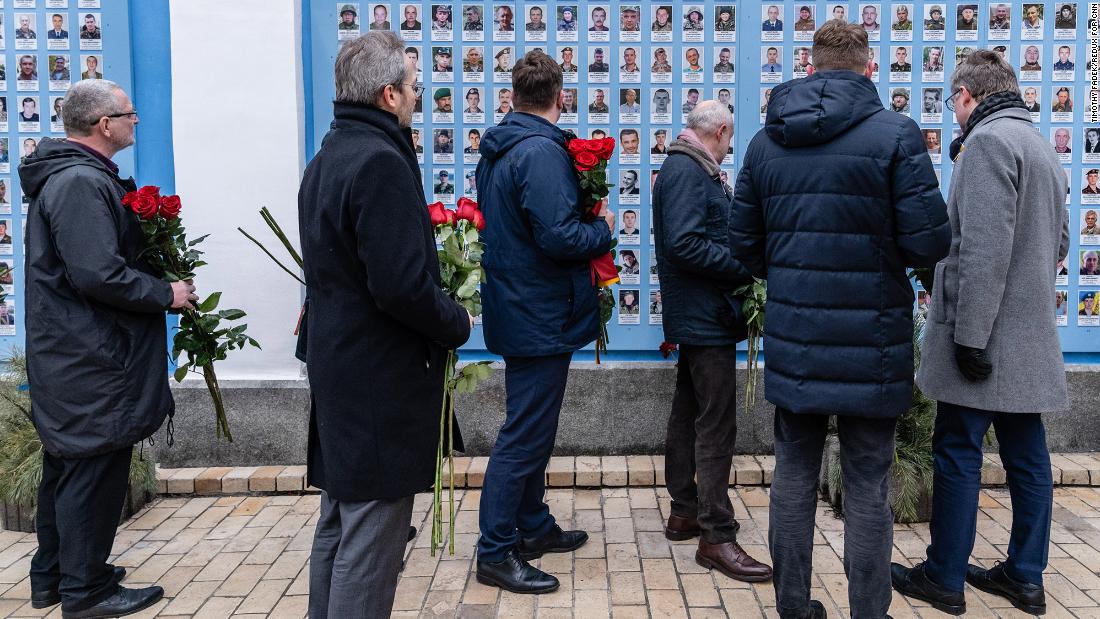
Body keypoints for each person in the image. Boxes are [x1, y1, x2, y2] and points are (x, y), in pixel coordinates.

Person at [729, 20, 950, 619]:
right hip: (871, 343)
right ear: (868, 67)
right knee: (869, 486)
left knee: (793, 476)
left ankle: (794, 608)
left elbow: (742, 242)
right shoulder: (896, 135)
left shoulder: (766, 140)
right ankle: (868, 612)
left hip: (797, 338)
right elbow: (930, 242)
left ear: (811, 65)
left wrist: (790, 275)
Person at [297, 32, 472, 618]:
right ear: (389, 95)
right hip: (378, 376)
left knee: (342, 522)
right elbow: (398, 285)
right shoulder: (378, 161)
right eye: (414, 87)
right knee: (371, 536)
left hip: (342, 364)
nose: (418, 97)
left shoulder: (329, 155)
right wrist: (455, 321)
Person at [891, 50, 1069, 617]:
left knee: (958, 451)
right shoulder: (1040, 144)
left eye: (953, 102)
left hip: (984, 340)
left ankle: (943, 578)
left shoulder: (988, 143)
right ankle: (1025, 576)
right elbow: (1059, 246)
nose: (954, 114)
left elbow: (983, 252)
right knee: (1028, 459)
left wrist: (969, 336)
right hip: (1028, 338)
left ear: (967, 95)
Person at [21, 79, 193, 618]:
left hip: (79, 351)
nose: (135, 122)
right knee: (92, 472)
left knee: (71, 467)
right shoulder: (77, 183)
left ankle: (56, 577)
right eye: (129, 114)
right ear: (104, 125)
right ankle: (86, 591)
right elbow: (98, 273)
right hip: (90, 356)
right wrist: (166, 293)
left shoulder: (78, 177)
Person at [474, 50, 614, 594]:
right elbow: (558, 237)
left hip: (519, 305)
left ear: (513, 96)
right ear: (562, 96)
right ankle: (495, 551)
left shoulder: (503, 147)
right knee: (524, 434)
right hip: (539, 312)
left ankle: (531, 527)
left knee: (534, 428)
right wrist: (601, 229)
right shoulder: (539, 152)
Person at [653, 100, 773, 585]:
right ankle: (716, 536)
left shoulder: (686, 165)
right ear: (720, 131)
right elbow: (684, 243)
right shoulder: (688, 170)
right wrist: (743, 270)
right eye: (729, 140)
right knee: (716, 423)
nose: (729, 150)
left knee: (689, 412)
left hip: (702, 314)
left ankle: (686, 511)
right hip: (705, 315)